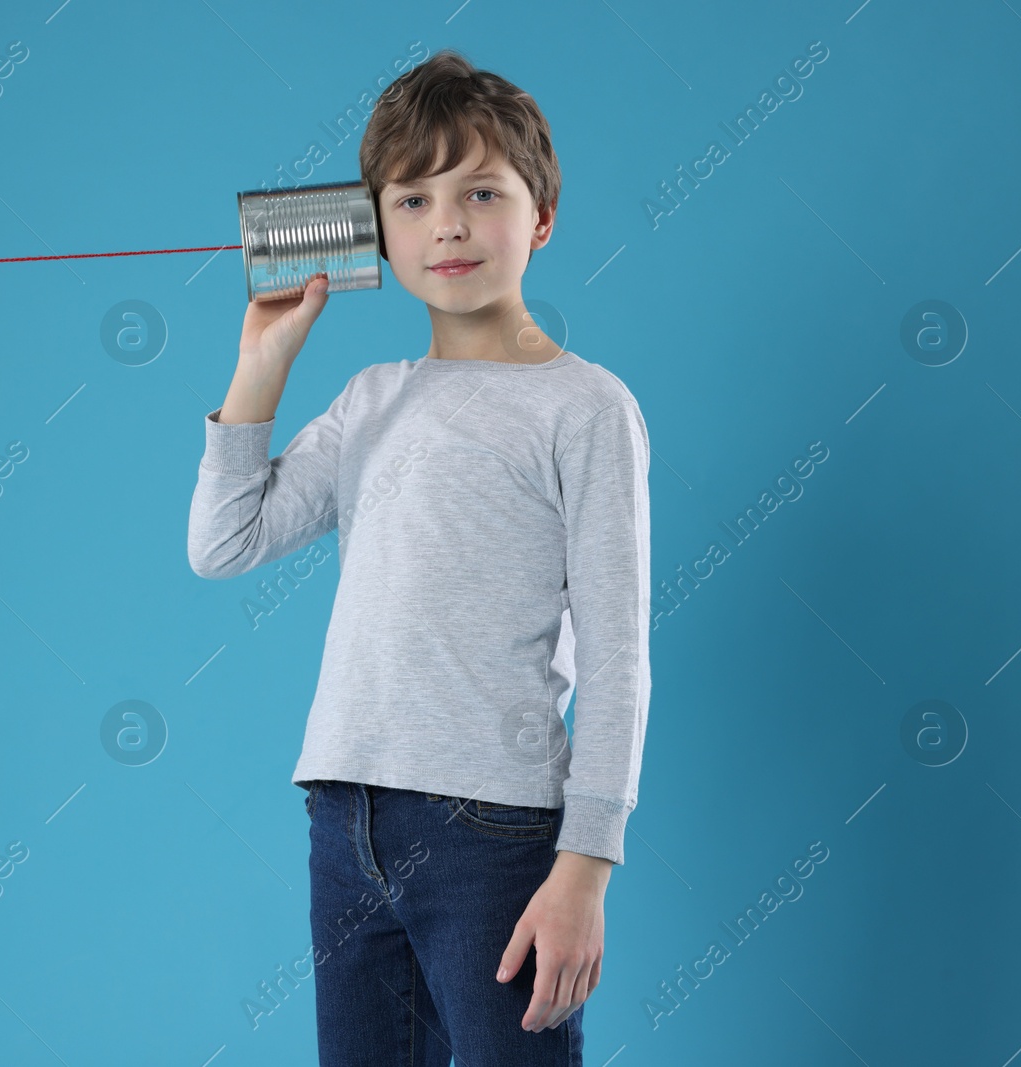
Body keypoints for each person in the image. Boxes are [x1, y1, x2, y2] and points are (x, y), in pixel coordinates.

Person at [188, 48, 650, 1065]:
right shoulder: (369, 398)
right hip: (343, 814)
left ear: (541, 217)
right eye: (413, 198)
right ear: (374, 233)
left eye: (481, 190)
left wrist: (584, 867)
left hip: (491, 835)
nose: (447, 222)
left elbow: (618, 656)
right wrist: (262, 363)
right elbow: (224, 542)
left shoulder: (585, 407)